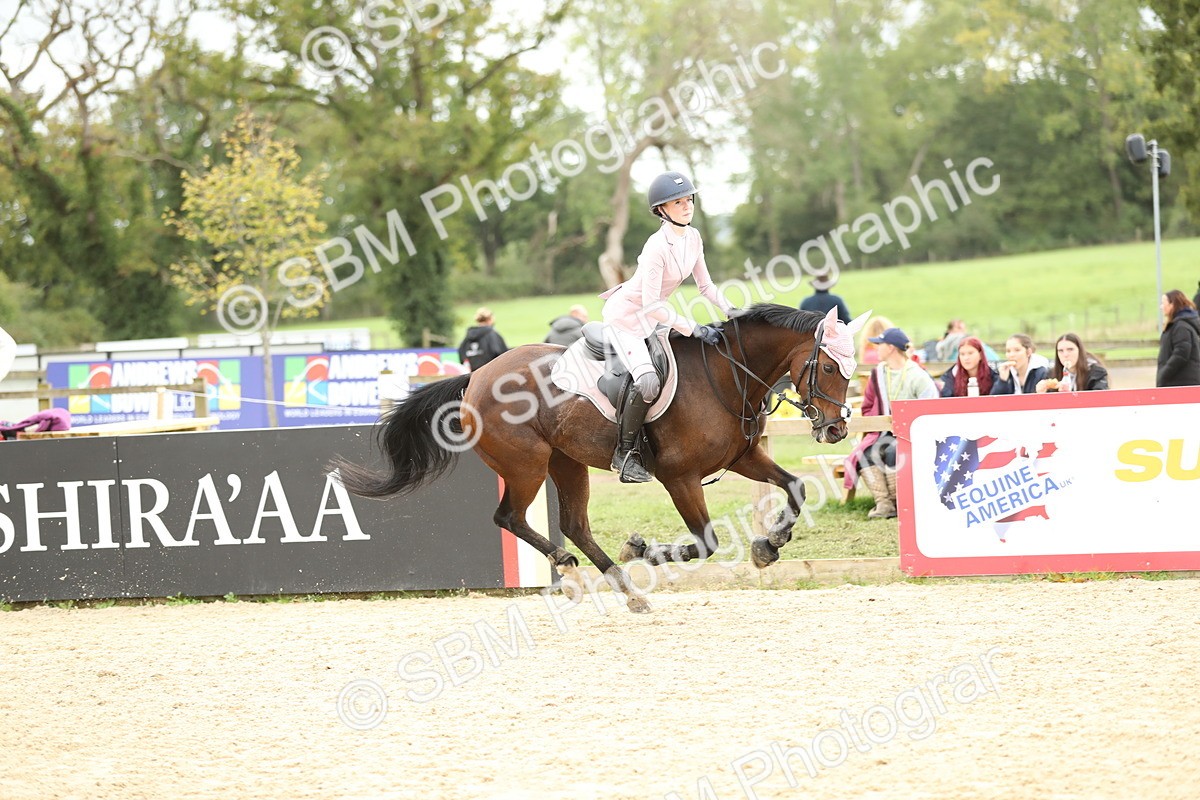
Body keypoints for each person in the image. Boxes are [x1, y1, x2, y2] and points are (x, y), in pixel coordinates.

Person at [599, 170, 734, 483]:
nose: (687, 206)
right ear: (661, 210)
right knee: (647, 381)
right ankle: (625, 453)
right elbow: (651, 304)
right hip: (627, 318)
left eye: (688, 199)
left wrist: (733, 310)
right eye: (677, 202)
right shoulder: (655, 248)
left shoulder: (694, 237)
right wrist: (693, 328)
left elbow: (706, 286)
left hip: (654, 318)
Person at [843, 326, 938, 519]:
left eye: (880, 344)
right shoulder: (878, 373)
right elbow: (868, 404)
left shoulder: (917, 376)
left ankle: (899, 502)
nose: (876, 348)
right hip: (884, 431)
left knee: (895, 451)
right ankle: (883, 504)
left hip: (912, 433)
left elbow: (931, 407)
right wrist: (876, 424)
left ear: (891, 348)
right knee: (865, 453)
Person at [1035, 333, 1108, 392]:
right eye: (1061, 351)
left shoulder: (1096, 373)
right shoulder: (1051, 374)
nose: (1065, 355)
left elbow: (1100, 399)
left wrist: (1070, 395)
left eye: (1070, 349)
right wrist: (1040, 393)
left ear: (1080, 351)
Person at [1156, 289, 1200, 387]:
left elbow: (1181, 353)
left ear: (1172, 305)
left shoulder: (1181, 327)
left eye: (1163, 303)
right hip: (1177, 382)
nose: (1161, 307)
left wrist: (1164, 373)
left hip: (1181, 383)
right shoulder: (1177, 325)